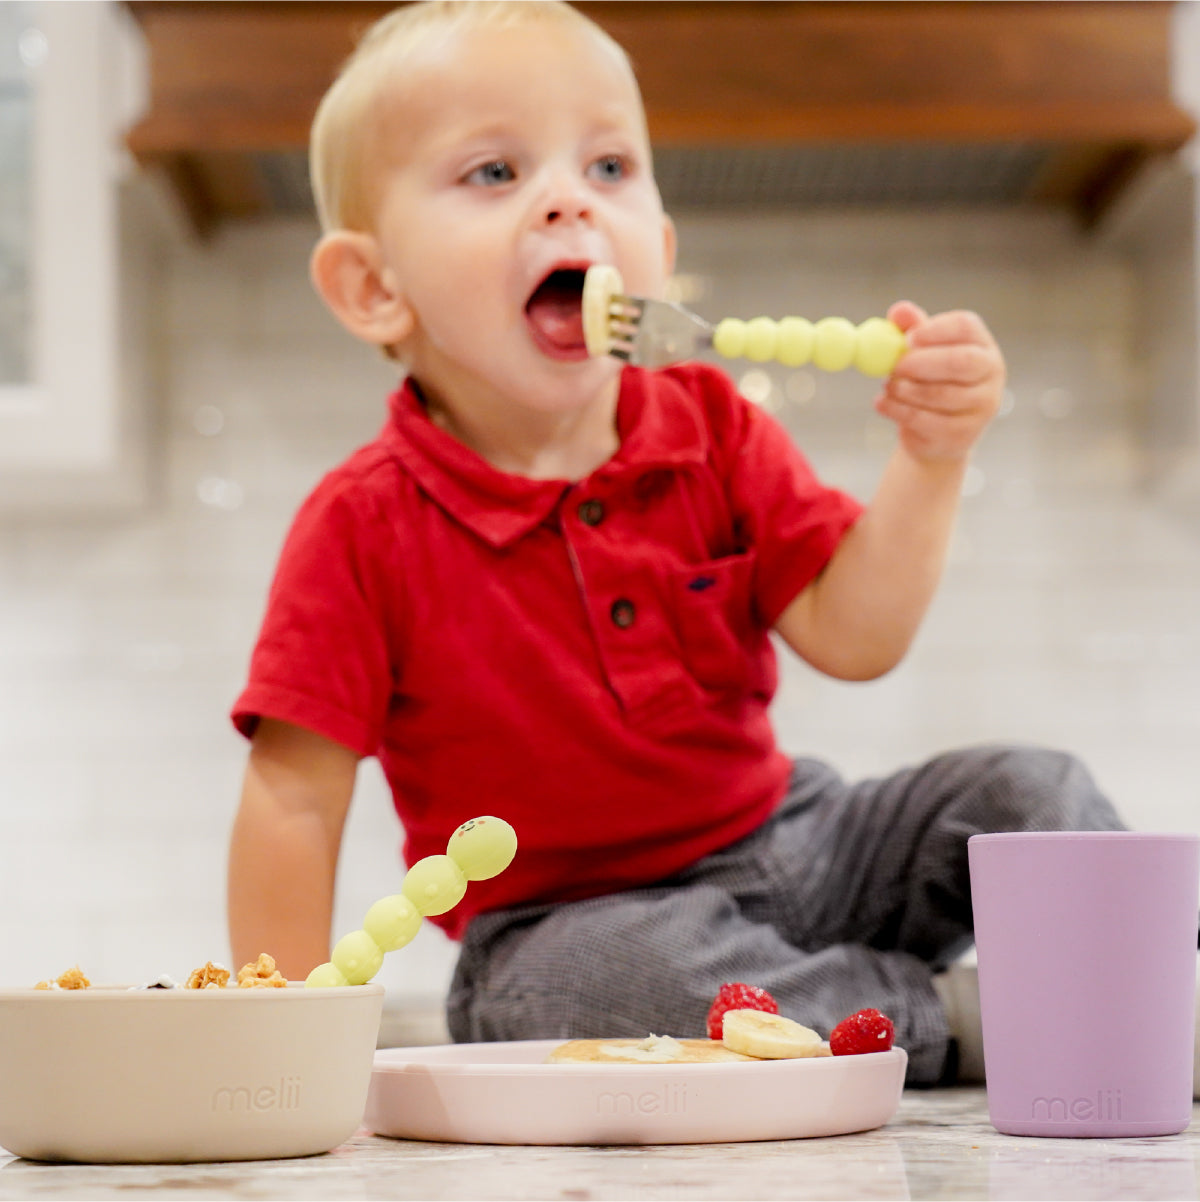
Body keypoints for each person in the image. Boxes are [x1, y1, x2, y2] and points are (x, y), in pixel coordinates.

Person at [226, 0, 1124, 1085]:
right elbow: (293, 796)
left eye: (609, 166)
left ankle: (1142, 993)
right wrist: (272, 1058)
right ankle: (954, 1016)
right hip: (568, 918)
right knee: (593, 993)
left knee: (1034, 794)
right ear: (375, 288)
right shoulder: (364, 523)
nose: (569, 198)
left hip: (805, 841)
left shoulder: (712, 423)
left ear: (662, 244)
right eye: (495, 173)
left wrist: (930, 461)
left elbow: (855, 634)